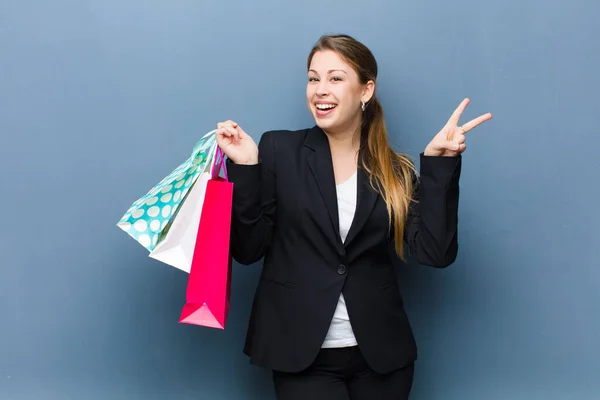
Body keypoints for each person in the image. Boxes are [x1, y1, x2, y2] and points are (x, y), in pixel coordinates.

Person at [215, 34, 492, 400]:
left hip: (382, 359)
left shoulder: (395, 170)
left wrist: (440, 165)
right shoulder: (278, 149)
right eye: (314, 78)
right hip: (301, 354)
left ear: (366, 90)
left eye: (335, 78)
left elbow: (435, 253)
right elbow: (248, 250)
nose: (320, 90)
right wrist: (247, 167)